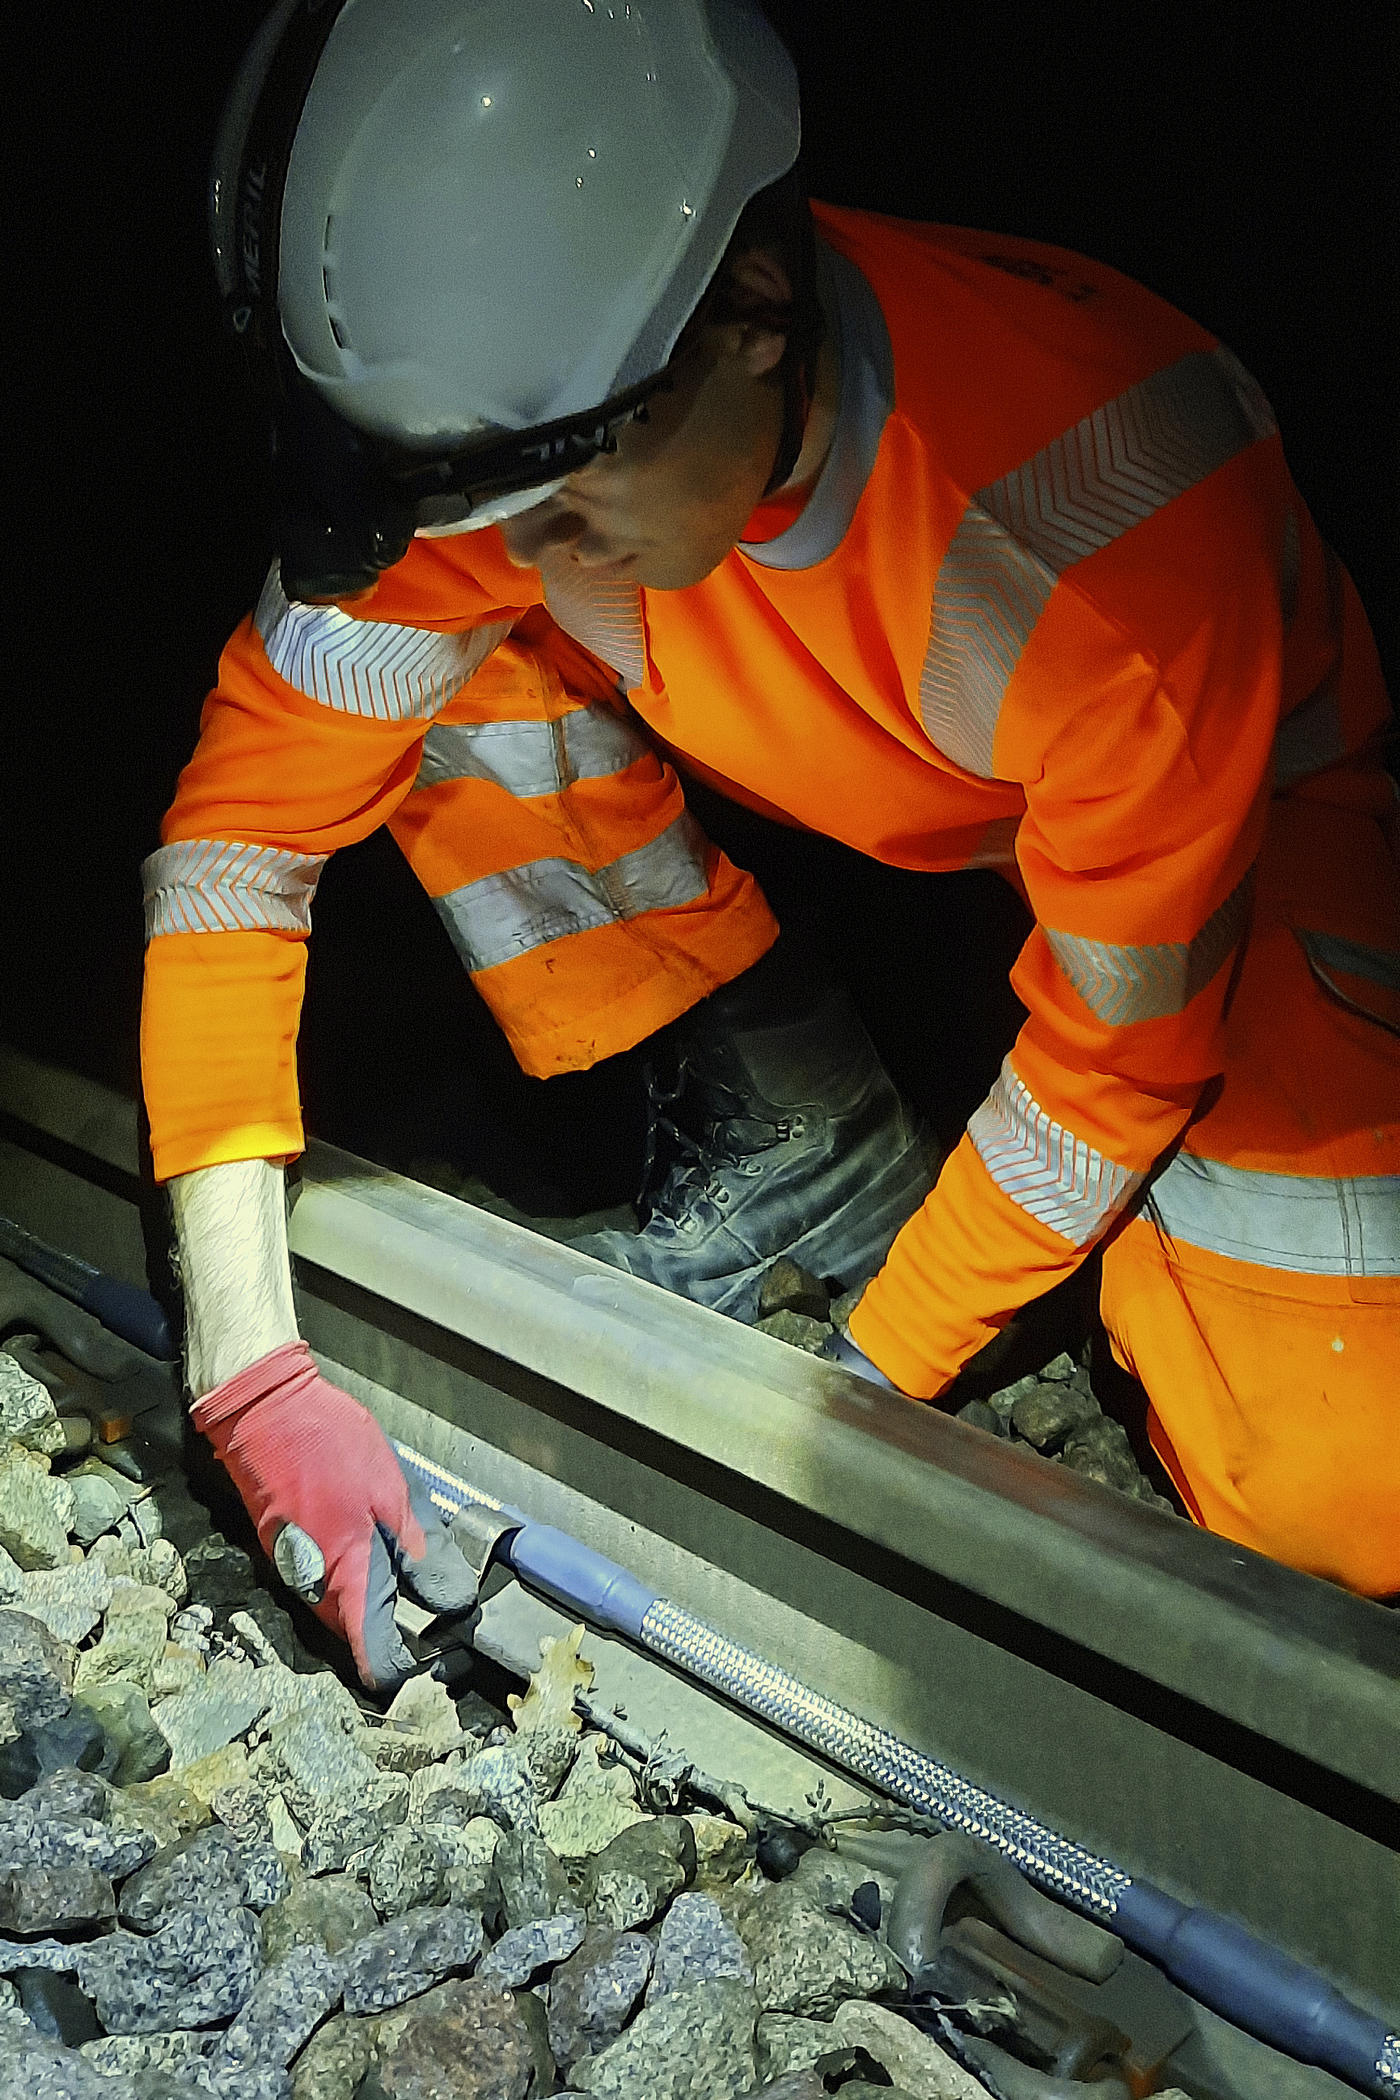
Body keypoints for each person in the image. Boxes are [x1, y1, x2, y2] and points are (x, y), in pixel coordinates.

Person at [141, 0, 1400, 1688]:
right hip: (877, 741)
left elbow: (1116, 1058)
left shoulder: (1116, 543)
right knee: (424, 669)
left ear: (751, 315)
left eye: (564, 494)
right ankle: (800, 1153)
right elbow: (242, 838)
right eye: (479, 496)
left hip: (1223, 819)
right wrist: (250, 1371)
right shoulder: (552, 428)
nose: (521, 538)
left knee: (1337, 1493)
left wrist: (855, 1408)